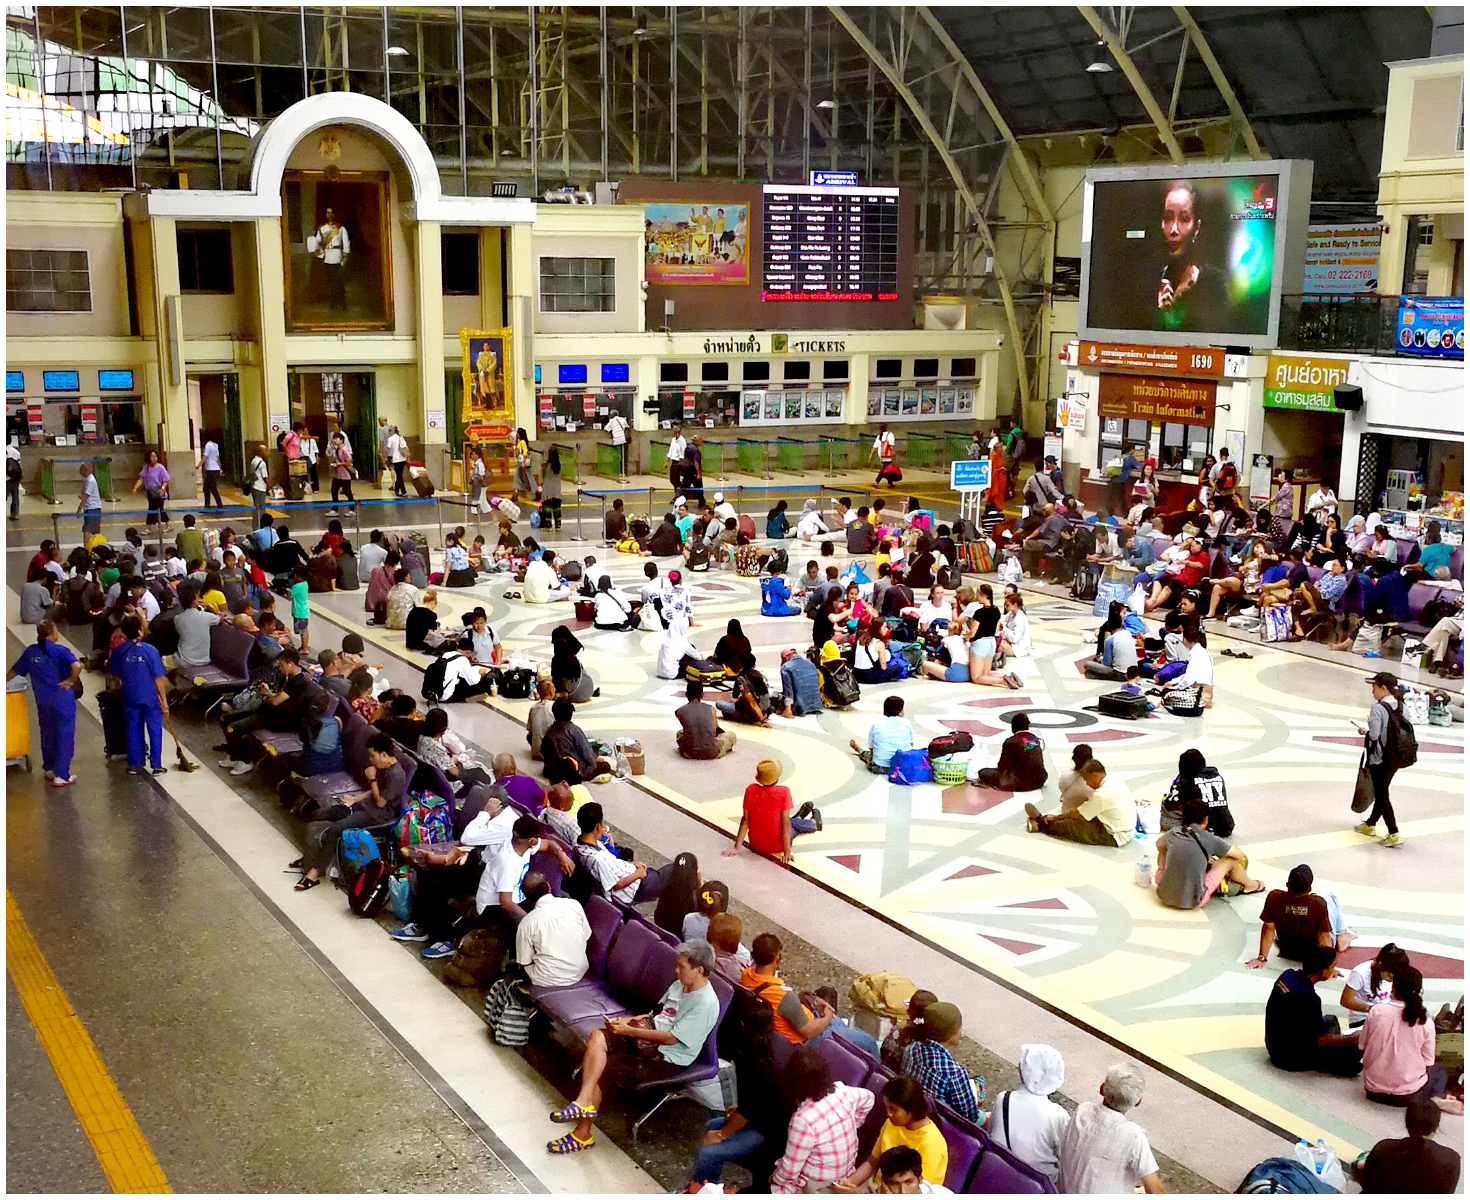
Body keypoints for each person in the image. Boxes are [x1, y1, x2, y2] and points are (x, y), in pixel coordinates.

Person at [545, 940, 720, 1155]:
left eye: (681, 966)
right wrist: (626, 1021)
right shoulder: (679, 985)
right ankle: (582, 1101)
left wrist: (629, 1031)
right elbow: (656, 1015)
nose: (676, 970)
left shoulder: (706, 1004)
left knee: (602, 1069)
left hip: (665, 1058)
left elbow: (671, 1038)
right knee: (597, 1037)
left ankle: (582, 1134)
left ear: (699, 970)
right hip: (646, 1038)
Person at [686, 1004, 789, 1190]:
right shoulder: (776, 1041)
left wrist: (722, 1134)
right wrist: (739, 1109)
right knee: (710, 1126)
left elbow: (751, 1108)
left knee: (709, 1152)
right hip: (762, 1116)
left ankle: (702, 1190)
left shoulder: (758, 1060)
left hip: (769, 1132)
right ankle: (708, 1187)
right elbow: (756, 1101)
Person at [292, 734, 405, 890]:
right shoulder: (382, 767)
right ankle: (311, 858)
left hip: (377, 815)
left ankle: (314, 872)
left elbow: (380, 801)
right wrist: (356, 798)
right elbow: (374, 792)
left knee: (335, 829)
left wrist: (372, 779)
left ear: (383, 755)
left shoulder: (396, 775)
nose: (370, 760)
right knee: (319, 814)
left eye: (373, 756)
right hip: (364, 806)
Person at [769, 1045, 875, 1192]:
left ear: (792, 1079)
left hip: (818, 1187)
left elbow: (789, 1172)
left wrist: (774, 1179)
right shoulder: (842, 1091)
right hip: (846, 1176)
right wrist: (855, 1123)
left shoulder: (803, 1120)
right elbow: (870, 1098)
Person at [1056, 1064, 1165, 1194]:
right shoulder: (1134, 1136)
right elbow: (1155, 1190)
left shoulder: (1083, 1111)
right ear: (1138, 1101)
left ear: (1102, 1089)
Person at [1264, 945, 1364, 1077]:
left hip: (1274, 1044)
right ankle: (1327, 1063)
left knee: (1331, 1020)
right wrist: (1352, 1036)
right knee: (1357, 1046)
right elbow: (1322, 1040)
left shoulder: (1287, 975)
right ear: (1322, 970)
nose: (1333, 970)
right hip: (1289, 1058)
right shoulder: (1309, 998)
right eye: (1332, 966)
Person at [836, 1076, 948, 1191]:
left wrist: (856, 1195)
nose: (888, 1114)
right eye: (887, 1108)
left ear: (911, 1111)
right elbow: (872, 1162)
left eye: (893, 1110)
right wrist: (848, 1182)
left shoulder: (931, 1144)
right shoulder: (893, 1123)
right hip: (877, 1187)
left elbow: (912, 1192)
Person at [1360, 967, 1450, 1107]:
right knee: (1439, 1071)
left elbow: (1362, 1045)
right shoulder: (1425, 1021)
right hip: (1408, 1095)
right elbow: (1428, 1062)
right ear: (1419, 991)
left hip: (1373, 1091)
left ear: (1394, 987)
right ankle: (1435, 1099)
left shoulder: (1377, 1010)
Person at [8, 620, 81, 786]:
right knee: (64, 735)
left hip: (43, 701)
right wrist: (70, 680)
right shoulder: (60, 651)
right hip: (62, 700)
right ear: (52, 633)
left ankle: (49, 767)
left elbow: (15, 670)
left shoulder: (31, 652)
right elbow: (77, 666)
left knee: (47, 734)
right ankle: (62, 774)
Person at [1154, 798, 1262, 909]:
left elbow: (1159, 845)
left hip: (1164, 894)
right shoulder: (1209, 839)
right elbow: (1239, 855)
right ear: (1205, 820)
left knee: (1165, 847)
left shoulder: (1174, 832)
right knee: (1230, 861)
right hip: (1193, 901)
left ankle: (1162, 876)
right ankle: (1250, 884)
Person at [987, 1044, 1069, 1186]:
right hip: (1036, 1186)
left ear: (1021, 1071)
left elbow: (991, 1132)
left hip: (998, 1174)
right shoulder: (1058, 1115)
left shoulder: (1003, 1099)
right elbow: (1066, 1159)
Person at [1247, 864, 1353, 968]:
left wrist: (1261, 958)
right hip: (1312, 954)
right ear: (1310, 888)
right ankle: (1341, 933)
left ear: (1287, 884)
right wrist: (1328, 967)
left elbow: (1268, 929)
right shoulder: (1317, 902)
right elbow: (1324, 937)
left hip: (1288, 950)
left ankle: (1341, 932)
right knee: (1329, 895)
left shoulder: (1274, 897)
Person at [107, 613, 171, 775]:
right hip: (150, 697)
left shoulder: (119, 651)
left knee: (133, 728)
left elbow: (113, 673)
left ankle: (135, 764)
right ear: (140, 630)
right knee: (155, 728)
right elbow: (159, 678)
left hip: (130, 695)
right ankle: (156, 765)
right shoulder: (150, 650)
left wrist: (119, 685)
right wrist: (164, 701)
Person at [1356, 1097, 1462, 1193]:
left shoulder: (1384, 1148)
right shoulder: (1451, 1159)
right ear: (1436, 1125)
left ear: (1407, 1123)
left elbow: (1367, 1184)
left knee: (1362, 1162)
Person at [901, 1001, 982, 1124]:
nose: (961, 1031)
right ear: (950, 1035)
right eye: (959, 1028)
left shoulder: (912, 1048)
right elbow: (970, 1117)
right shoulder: (954, 1072)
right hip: (940, 1126)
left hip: (914, 1112)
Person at [724, 760, 817, 863]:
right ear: (776, 778)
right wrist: (787, 852)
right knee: (791, 824)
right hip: (776, 845)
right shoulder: (783, 792)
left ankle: (799, 817)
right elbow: (785, 824)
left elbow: (745, 820)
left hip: (756, 844)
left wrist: (736, 848)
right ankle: (813, 823)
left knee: (782, 820)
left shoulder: (750, 789)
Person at [1025, 759, 1134, 847]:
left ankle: (1041, 824)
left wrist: (1056, 817)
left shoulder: (1102, 794)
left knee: (1073, 827)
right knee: (1077, 815)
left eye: (1087, 780)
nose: (1087, 783)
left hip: (1115, 835)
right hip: (1127, 829)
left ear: (1094, 775)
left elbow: (1079, 814)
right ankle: (1042, 821)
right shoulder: (1116, 782)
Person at [1356, 671, 1407, 847]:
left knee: (1382, 794)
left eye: (1374, 687)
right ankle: (1370, 824)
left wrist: (1365, 730)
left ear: (1383, 689)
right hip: (1396, 756)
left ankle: (1393, 832)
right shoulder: (1401, 705)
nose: (1372, 691)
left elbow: (1375, 735)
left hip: (1380, 758)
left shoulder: (1378, 709)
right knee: (1381, 791)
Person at [975, 713, 1047, 791]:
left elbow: (1002, 766)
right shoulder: (1035, 739)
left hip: (1019, 783)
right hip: (1039, 780)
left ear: (1013, 727)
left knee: (983, 772)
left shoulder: (1010, 742)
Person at [850, 696, 914, 774]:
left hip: (880, 766)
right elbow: (911, 744)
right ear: (900, 710)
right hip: (902, 765)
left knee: (869, 755)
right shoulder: (907, 722)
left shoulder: (877, 725)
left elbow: (871, 748)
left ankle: (860, 750)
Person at [675, 680, 735, 760]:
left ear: (686, 695)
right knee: (731, 735)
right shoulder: (711, 709)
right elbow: (714, 731)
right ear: (702, 695)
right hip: (712, 753)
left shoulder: (679, 712)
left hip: (689, 753)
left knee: (680, 733)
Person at [778, 647, 823, 718]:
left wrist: (787, 710)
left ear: (785, 658)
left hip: (800, 708)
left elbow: (788, 691)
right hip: (816, 705)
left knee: (775, 700)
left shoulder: (786, 667)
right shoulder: (810, 663)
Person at [134, 449, 171, 529]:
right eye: (152, 456)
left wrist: (162, 489)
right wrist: (136, 488)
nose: (154, 458)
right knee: (158, 509)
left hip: (158, 491)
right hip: (150, 492)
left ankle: (148, 527)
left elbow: (166, 480)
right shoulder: (146, 467)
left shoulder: (160, 467)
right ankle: (167, 524)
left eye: (155, 456)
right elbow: (141, 478)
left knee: (154, 508)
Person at [539, 447, 564, 532]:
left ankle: (548, 526)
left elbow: (542, 476)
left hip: (547, 489)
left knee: (547, 509)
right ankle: (558, 526)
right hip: (557, 489)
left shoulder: (545, 466)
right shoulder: (560, 464)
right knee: (557, 509)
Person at [77, 461, 104, 539]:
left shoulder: (90, 481)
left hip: (92, 508)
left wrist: (79, 509)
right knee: (94, 530)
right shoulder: (87, 480)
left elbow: (86, 496)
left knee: (87, 529)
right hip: (90, 507)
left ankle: (87, 548)